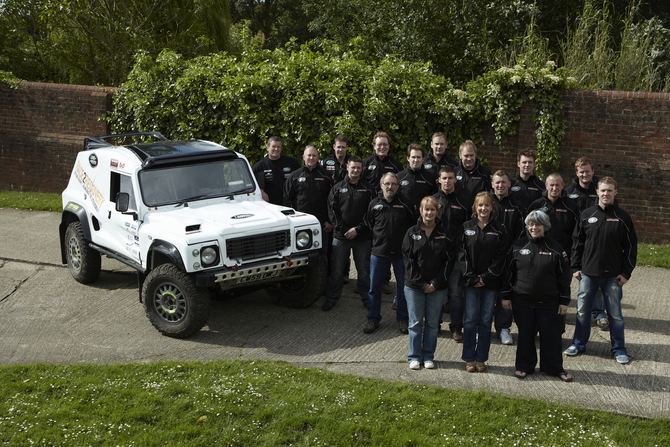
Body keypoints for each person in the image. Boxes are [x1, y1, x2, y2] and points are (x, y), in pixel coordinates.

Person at [565, 177, 637, 364]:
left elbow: (630, 248)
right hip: (588, 274)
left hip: (613, 277)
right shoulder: (586, 215)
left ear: (615, 192)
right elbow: (577, 243)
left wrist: (626, 273)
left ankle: (619, 349)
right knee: (582, 312)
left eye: (610, 190)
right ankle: (578, 344)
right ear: (597, 192)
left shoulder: (623, 217)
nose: (606, 194)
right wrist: (575, 267)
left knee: (615, 315)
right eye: (603, 190)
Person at [501, 210, 573, 382]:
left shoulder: (556, 249)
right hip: (522, 301)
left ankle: (554, 368)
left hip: (549, 302)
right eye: (531, 224)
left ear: (545, 226)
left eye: (538, 224)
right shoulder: (518, 246)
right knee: (525, 336)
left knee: (551, 337)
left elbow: (564, 277)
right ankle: (524, 366)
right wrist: (506, 295)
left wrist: (564, 301)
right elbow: (508, 273)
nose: (534, 227)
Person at [458, 191, 510, 372]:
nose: (483, 208)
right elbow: (461, 254)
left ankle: (481, 358)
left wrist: (486, 277)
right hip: (470, 282)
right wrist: (472, 277)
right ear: (475, 207)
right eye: (480, 205)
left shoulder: (500, 228)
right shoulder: (466, 226)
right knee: (470, 321)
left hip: (491, 283)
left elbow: (501, 256)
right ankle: (468, 357)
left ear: (492, 207)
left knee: (486, 321)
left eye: (487, 205)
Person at [403, 196, 455, 370]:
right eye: (426, 209)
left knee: (432, 324)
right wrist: (421, 283)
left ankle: (428, 356)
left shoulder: (445, 233)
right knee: (415, 323)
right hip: (414, 286)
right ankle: (414, 357)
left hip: (437, 287)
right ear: (420, 211)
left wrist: (434, 283)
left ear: (437, 212)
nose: (429, 212)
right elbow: (408, 260)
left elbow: (449, 261)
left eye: (432, 209)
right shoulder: (411, 232)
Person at [363, 172, 416, 334]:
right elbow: (370, 223)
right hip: (379, 253)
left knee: (402, 289)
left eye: (393, 184)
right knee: (374, 288)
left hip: (401, 255)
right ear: (381, 185)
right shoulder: (373, 204)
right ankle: (372, 318)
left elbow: (413, 226)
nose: (390, 187)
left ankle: (402, 318)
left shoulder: (406, 204)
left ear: (398, 186)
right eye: (387, 184)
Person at [322, 156, 375, 311]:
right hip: (341, 236)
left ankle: (367, 299)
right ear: (347, 167)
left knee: (364, 271)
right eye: (353, 167)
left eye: (359, 168)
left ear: (362, 169)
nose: (356, 170)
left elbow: (372, 213)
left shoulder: (368, 189)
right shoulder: (337, 188)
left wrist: (358, 229)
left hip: (363, 237)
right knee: (337, 270)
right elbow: (332, 212)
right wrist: (345, 230)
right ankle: (332, 298)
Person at [564, 157, 608, 330]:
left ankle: (599, 313)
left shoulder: (599, 191)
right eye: (581, 172)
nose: (585, 174)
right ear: (576, 173)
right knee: (566, 278)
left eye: (587, 171)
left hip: (593, 243)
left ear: (593, 172)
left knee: (596, 281)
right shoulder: (568, 192)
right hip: (572, 242)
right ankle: (563, 309)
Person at [433, 166, 472, 343]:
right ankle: (435, 324)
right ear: (439, 180)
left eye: (450, 178)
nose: (447, 181)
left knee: (456, 294)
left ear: (455, 180)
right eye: (444, 178)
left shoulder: (464, 202)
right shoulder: (432, 201)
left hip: (456, 256)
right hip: (436, 257)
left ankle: (456, 327)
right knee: (437, 292)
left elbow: (468, 230)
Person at [490, 170, 525, 346]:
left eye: (504, 182)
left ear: (509, 184)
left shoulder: (517, 206)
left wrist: (512, 254)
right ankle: (484, 328)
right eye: (497, 182)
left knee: (506, 293)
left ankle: (503, 328)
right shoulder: (486, 203)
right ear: (492, 184)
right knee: (487, 294)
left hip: (509, 259)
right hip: (488, 258)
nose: (500, 185)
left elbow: (521, 233)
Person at [283, 145, 333, 262]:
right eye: (309, 155)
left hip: (322, 224)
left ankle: (322, 280)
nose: (311, 157)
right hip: (300, 225)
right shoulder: (294, 176)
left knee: (322, 255)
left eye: (314, 155)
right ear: (303, 157)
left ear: (318, 157)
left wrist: (330, 221)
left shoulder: (326, 176)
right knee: (300, 256)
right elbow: (286, 200)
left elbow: (333, 201)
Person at [527, 173, 580, 260]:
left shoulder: (571, 207)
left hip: (563, 256)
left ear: (562, 185)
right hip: (539, 255)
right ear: (546, 186)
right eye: (552, 185)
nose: (554, 188)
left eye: (557, 185)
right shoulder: (536, 206)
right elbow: (527, 231)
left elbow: (576, 236)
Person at [253, 136, 301, 205]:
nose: (276, 149)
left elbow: (301, 175)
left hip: (291, 201)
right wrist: (261, 191)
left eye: (279, 147)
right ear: (267, 148)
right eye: (273, 146)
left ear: (281, 149)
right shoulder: (260, 165)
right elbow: (251, 182)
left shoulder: (291, 161)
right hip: (271, 204)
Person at [397, 144, 437, 209]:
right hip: (404, 216)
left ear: (423, 159)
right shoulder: (399, 177)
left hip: (424, 216)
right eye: (413, 157)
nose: (416, 160)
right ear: (408, 158)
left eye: (418, 157)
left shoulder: (430, 178)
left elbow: (435, 199)